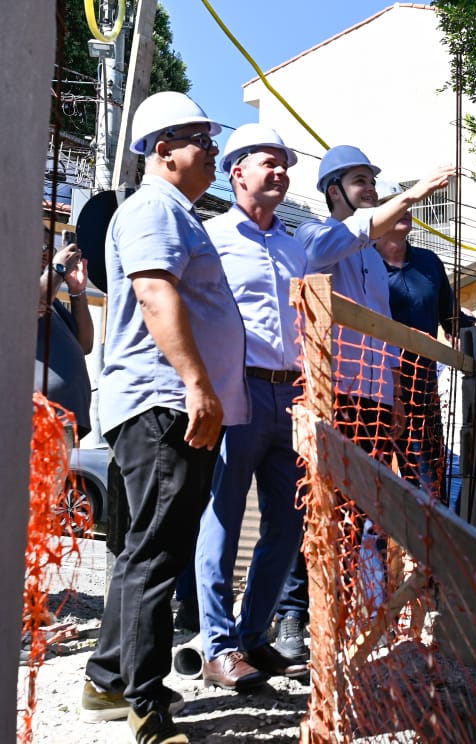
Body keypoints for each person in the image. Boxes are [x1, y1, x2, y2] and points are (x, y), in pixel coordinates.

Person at [80, 91, 249, 744]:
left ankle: (106, 679)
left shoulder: (170, 210)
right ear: (162, 149)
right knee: (159, 553)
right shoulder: (154, 206)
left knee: (141, 550)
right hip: (164, 404)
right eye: (200, 139)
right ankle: (147, 710)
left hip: (158, 402)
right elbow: (154, 292)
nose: (211, 149)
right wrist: (198, 386)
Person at [272, 146, 454, 660]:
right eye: (359, 180)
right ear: (334, 191)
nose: (371, 187)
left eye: (373, 179)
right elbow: (340, 243)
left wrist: (394, 392)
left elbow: (386, 334)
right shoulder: (313, 235)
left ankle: (352, 616)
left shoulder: (374, 259)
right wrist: (415, 192)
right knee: (315, 508)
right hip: (330, 396)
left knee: (362, 513)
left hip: (374, 400)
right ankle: (292, 616)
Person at [194, 124, 308, 692]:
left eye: (286, 164)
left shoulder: (295, 246)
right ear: (236, 171)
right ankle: (215, 646)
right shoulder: (209, 236)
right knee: (224, 515)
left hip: (291, 394)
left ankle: (253, 637)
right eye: (271, 162)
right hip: (236, 390)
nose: (282, 171)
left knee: (288, 523)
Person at [373, 202, 473, 500]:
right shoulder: (360, 262)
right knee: (370, 488)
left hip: (421, 392)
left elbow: (452, 318)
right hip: (373, 391)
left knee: (429, 488)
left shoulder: (428, 263)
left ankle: (423, 547)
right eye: (392, 206)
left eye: (407, 204)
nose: (404, 210)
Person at [35, 226, 93, 441]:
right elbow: (34, 308)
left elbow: (85, 344)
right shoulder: (14, 287)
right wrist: (58, 269)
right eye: (41, 247)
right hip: (35, 417)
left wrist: (78, 291)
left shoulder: (54, 302)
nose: (47, 254)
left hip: (63, 420)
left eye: (50, 248)